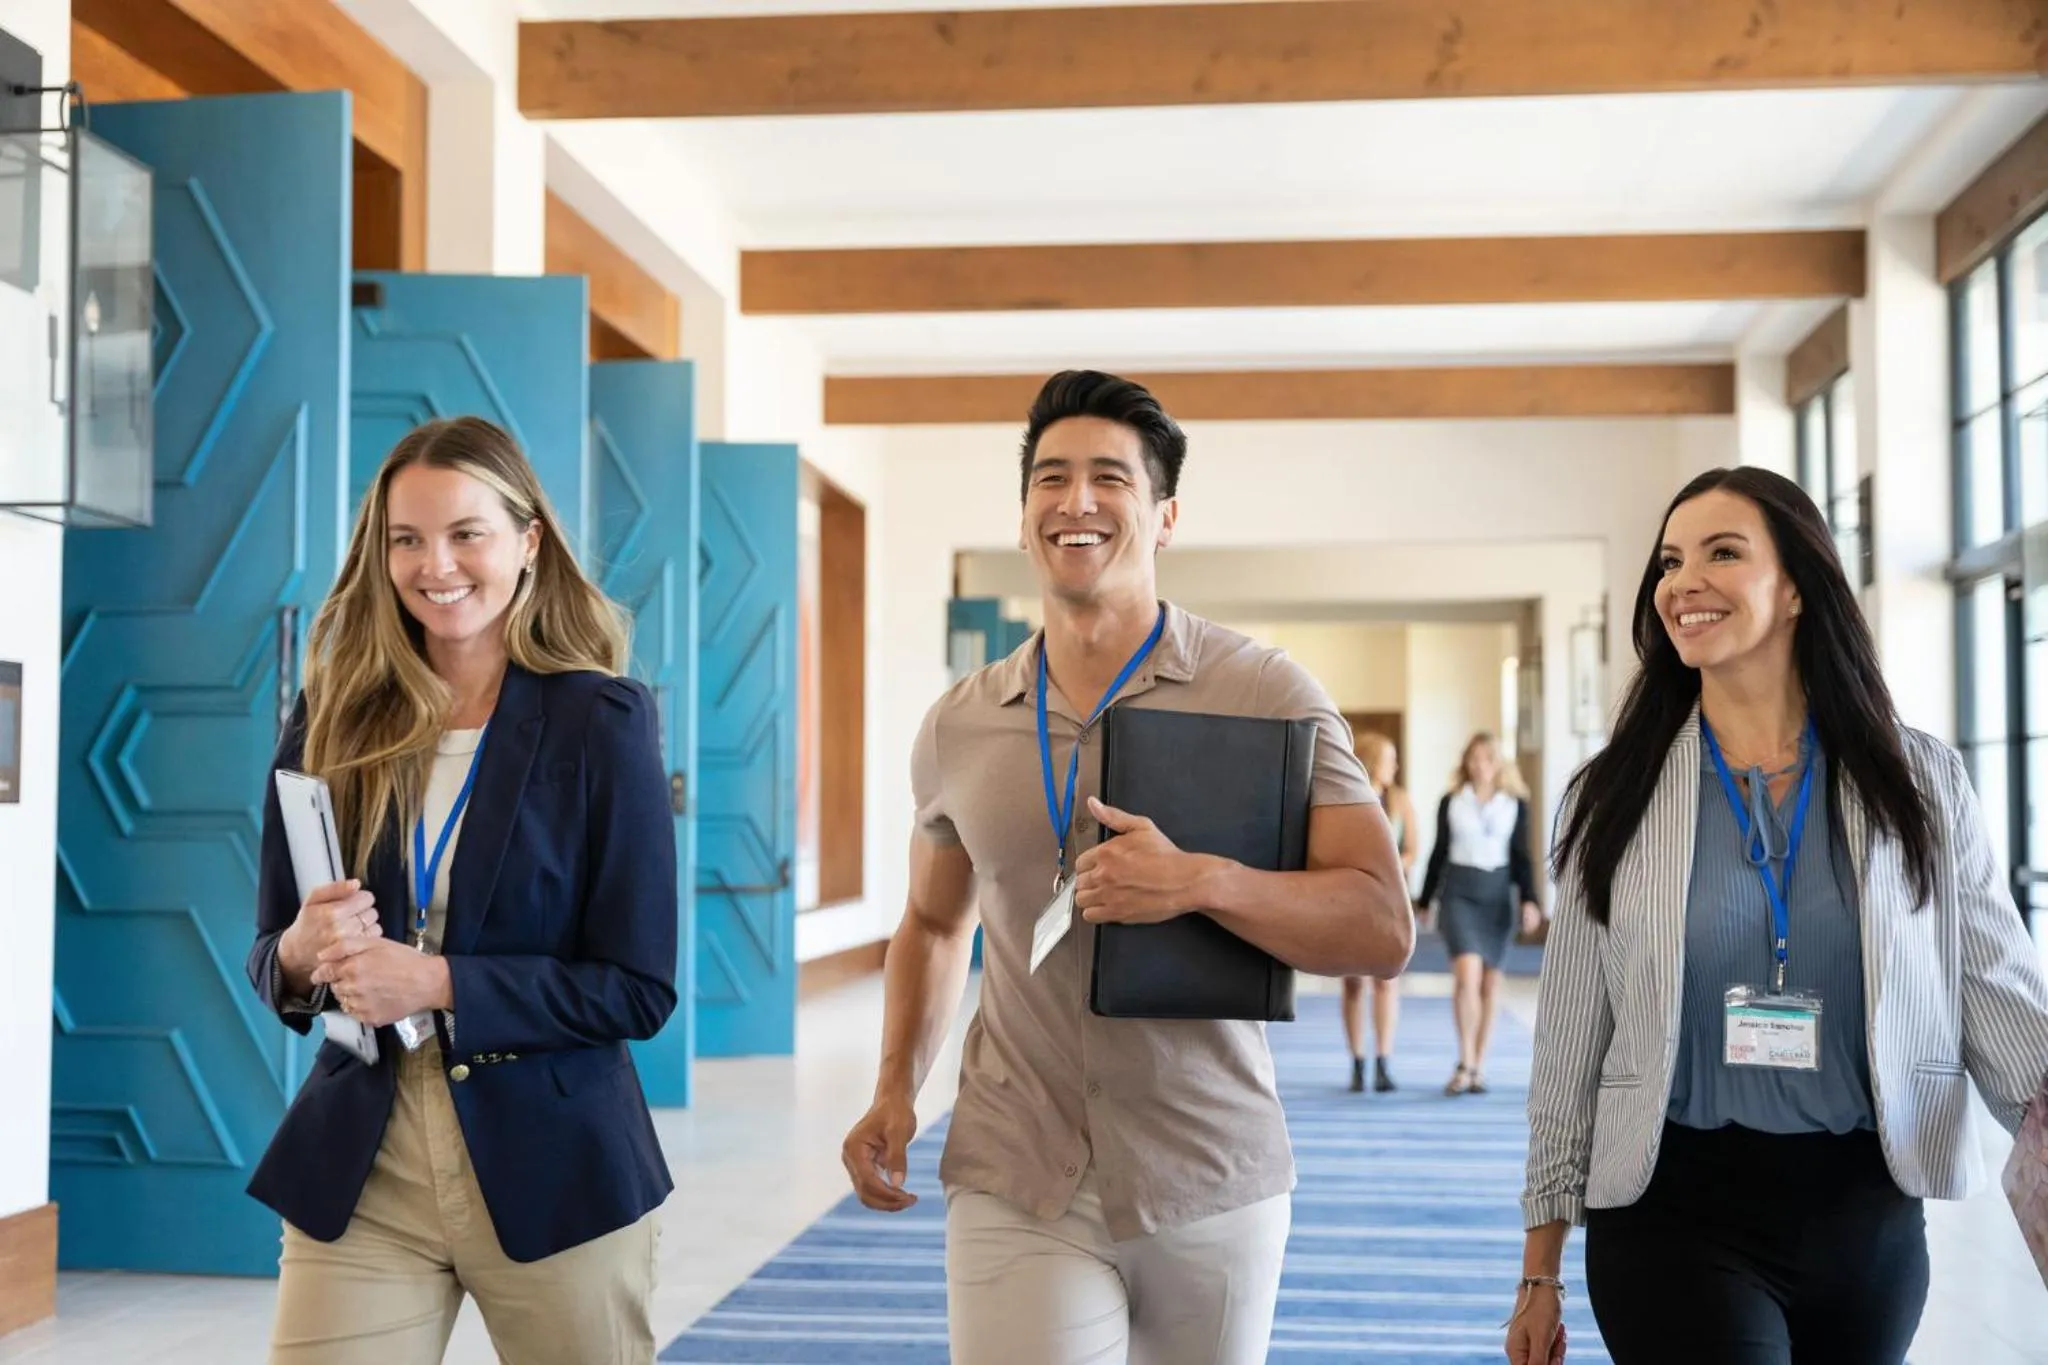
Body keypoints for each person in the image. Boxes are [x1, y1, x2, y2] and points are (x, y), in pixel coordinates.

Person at [840, 370, 1414, 1365]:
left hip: (1206, 1164)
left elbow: (1381, 927)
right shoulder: (960, 722)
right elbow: (934, 925)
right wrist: (895, 1086)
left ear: (1164, 516)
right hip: (1016, 1164)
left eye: (1108, 478)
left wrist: (1203, 882)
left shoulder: (1265, 692)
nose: (1075, 501)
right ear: (1023, 520)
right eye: (1049, 479)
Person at [1506, 467, 2048, 1365]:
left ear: (1797, 584)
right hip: (1671, 1206)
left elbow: (1992, 986)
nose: (1684, 582)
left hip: (1865, 1208)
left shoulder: (1918, 782)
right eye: (1671, 561)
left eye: (1723, 552)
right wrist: (1539, 1269)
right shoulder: (1617, 796)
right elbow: (1570, 1042)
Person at [245, 416, 679, 1365]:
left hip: (557, 1163)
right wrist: (297, 954)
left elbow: (637, 988)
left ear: (528, 542)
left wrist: (439, 983)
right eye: (407, 538)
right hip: (366, 1159)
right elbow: (274, 952)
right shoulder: (332, 715)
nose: (434, 564)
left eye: (466, 533)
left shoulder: (601, 721)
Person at [1417, 731, 1541, 1096]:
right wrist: (1425, 901)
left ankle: (1479, 1066)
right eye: (1474, 758)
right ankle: (1465, 1060)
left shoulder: (1515, 804)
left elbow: (1522, 856)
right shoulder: (1452, 801)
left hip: (1497, 895)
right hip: (1459, 894)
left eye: (1487, 758)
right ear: (1466, 762)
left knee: (1490, 985)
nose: (1480, 765)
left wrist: (1529, 901)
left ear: (1498, 763)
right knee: (1466, 977)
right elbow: (1439, 851)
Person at [1341, 730, 1417, 1092]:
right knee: (1354, 985)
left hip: (1390, 899)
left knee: (1387, 982)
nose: (1395, 766)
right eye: (1390, 759)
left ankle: (1383, 1061)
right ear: (1373, 761)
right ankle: (1357, 1061)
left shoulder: (1400, 800)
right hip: (1353, 901)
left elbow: (1412, 848)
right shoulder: (1347, 798)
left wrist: (1391, 864)